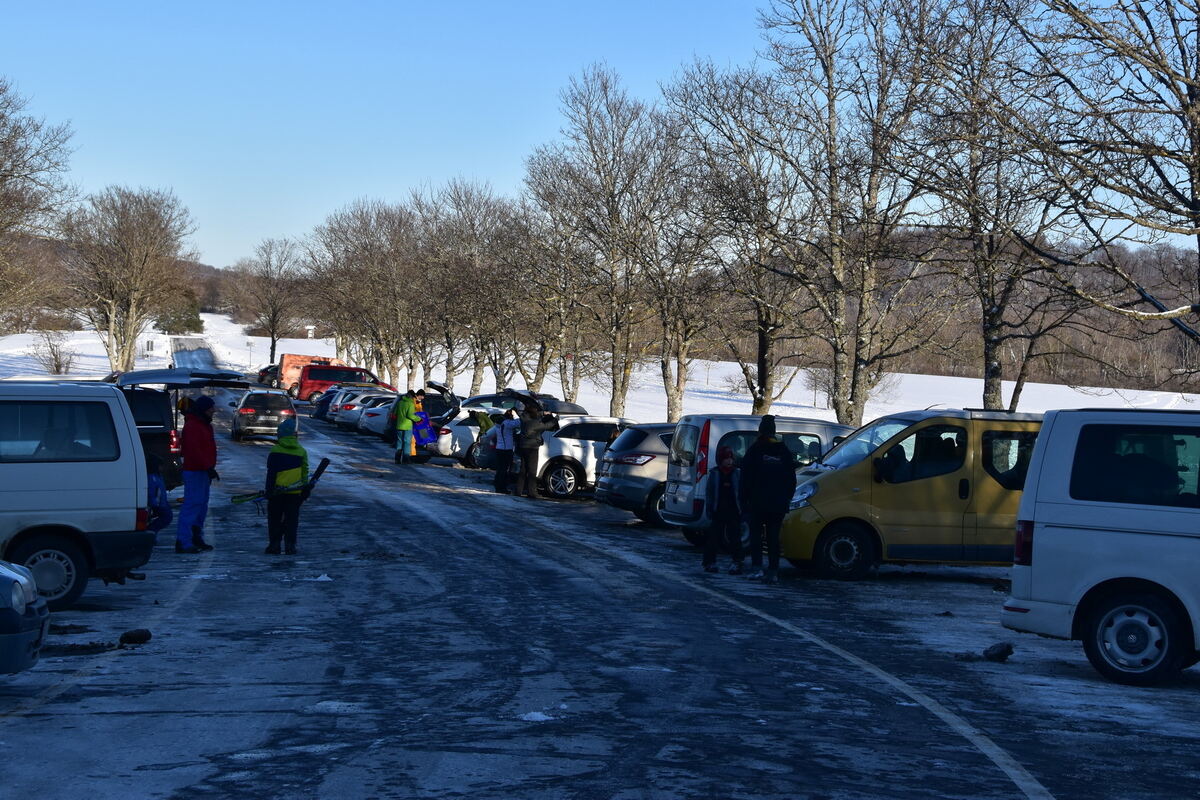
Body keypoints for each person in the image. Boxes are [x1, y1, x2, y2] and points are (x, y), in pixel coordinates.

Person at [740, 414, 796, 584]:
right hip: (777, 504)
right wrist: (786, 499)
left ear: (760, 431)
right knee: (773, 538)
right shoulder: (783, 451)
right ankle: (773, 570)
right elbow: (791, 479)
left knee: (756, 537)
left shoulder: (755, 450)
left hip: (757, 503)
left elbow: (745, 478)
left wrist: (743, 501)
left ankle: (757, 567)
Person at [176, 395, 218, 554]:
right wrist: (208, 467)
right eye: (211, 408)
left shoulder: (204, 424)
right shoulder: (194, 425)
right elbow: (194, 451)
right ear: (204, 410)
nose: (213, 411)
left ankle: (195, 536)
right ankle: (183, 540)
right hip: (195, 471)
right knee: (192, 505)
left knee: (201, 505)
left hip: (202, 471)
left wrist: (209, 467)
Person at [264, 417, 309, 555]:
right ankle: (290, 546)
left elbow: (271, 472)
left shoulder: (275, 450)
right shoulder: (301, 451)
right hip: (295, 493)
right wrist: (305, 489)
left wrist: (269, 490)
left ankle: (274, 545)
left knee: (275, 519)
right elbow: (304, 472)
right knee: (291, 520)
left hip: (277, 492)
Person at [703, 446, 744, 574]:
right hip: (718, 510)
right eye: (726, 458)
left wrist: (742, 507)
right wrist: (710, 508)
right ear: (721, 460)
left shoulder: (737, 473)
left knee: (735, 537)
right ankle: (709, 562)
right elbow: (709, 493)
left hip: (733, 510)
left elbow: (741, 492)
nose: (729, 461)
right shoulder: (715, 474)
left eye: (731, 458)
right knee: (714, 537)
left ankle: (737, 562)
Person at [515, 400, 559, 499]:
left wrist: (543, 413)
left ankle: (518, 490)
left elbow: (533, 414)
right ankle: (532, 492)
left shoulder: (523, 417)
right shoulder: (534, 423)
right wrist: (555, 419)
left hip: (523, 446)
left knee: (523, 469)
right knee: (532, 471)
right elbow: (547, 425)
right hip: (532, 448)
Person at [492, 408, 521, 494]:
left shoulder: (498, 424)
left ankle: (498, 486)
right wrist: (516, 414)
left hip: (499, 449)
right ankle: (502, 488)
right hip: (506, 449)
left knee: (500, 469)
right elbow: (519, 422)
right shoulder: (507, 423)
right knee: (504, 470)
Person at [145, 453, 173, 538]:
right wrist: (155, 504)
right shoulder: (152, 477)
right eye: (161, 466)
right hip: (158, 504)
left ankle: (152, 532)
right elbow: (151, 492)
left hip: (161, 503)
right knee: (166, 517)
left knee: (166, 517)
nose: (162, 468)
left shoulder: (157, 476)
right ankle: (151, 532)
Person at [394, 390, 422, 465]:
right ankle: (405, 459)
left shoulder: (400, 402)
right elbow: (410, 415)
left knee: (399, 442)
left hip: (399, 425)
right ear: (412, 397)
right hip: (407, 426)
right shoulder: (410, 404)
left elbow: (395, 413)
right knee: (407, 442)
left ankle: (397, 459)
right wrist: (418, 419)